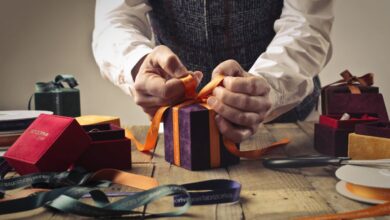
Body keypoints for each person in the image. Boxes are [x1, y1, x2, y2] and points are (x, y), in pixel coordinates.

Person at [92, 0, 333, 143]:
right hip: (179, 135)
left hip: (290, 133)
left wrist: (267, 85)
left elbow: (307, 24)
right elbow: (115, 19)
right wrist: (137, 64)